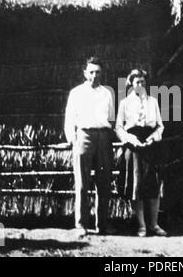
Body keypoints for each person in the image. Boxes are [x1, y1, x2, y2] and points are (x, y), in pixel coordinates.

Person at [64, 57, 115, 236]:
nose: (94, 75)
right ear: (85, 73)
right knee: (82, 183)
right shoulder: (76, 93)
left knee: (103, 183)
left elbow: (110, 118)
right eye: (91, 72)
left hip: (103, 137)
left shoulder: (107, 93)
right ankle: (81, 225)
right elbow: (69, 118)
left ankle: (101, 225)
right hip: (84, 137)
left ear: (102, 74)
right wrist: (72, 139)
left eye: (98, 72)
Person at [115, 69, 167, 237]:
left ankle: (154, 224)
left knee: (153, 185)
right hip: (134, 145)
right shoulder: (124, 103)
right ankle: (142, 226)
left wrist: (153, 138)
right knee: (136, 186)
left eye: (143, 82)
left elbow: (160, 125)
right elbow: (119, 127)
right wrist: (131, 139)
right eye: (137, 82)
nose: (140, 85)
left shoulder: (153, 102)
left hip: (150, 145)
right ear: (131, 83)